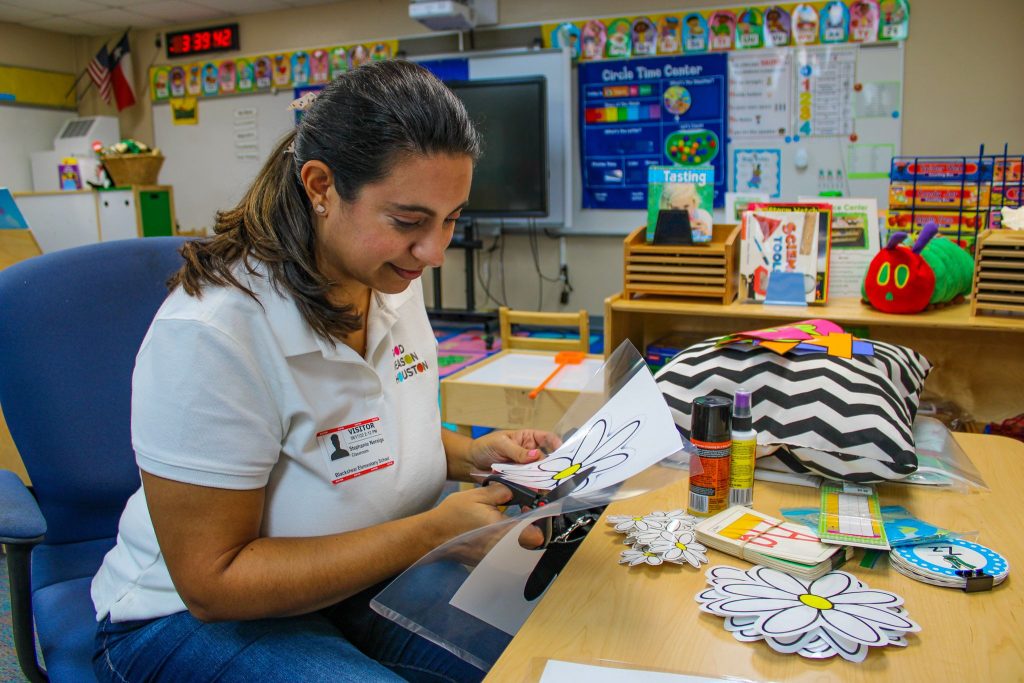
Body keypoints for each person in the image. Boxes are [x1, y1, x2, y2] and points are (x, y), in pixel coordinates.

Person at [90, 59, 561, 683]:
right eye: (409, 221)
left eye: (451, 219)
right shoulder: (213, 333)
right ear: (320, 186)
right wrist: (430, 534)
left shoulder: (391, 277)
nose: (435, 251)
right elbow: (213, 584)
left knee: (547, 654)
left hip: (356, 579)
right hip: (186, 619)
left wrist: (469, 454)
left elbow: (365, 429)